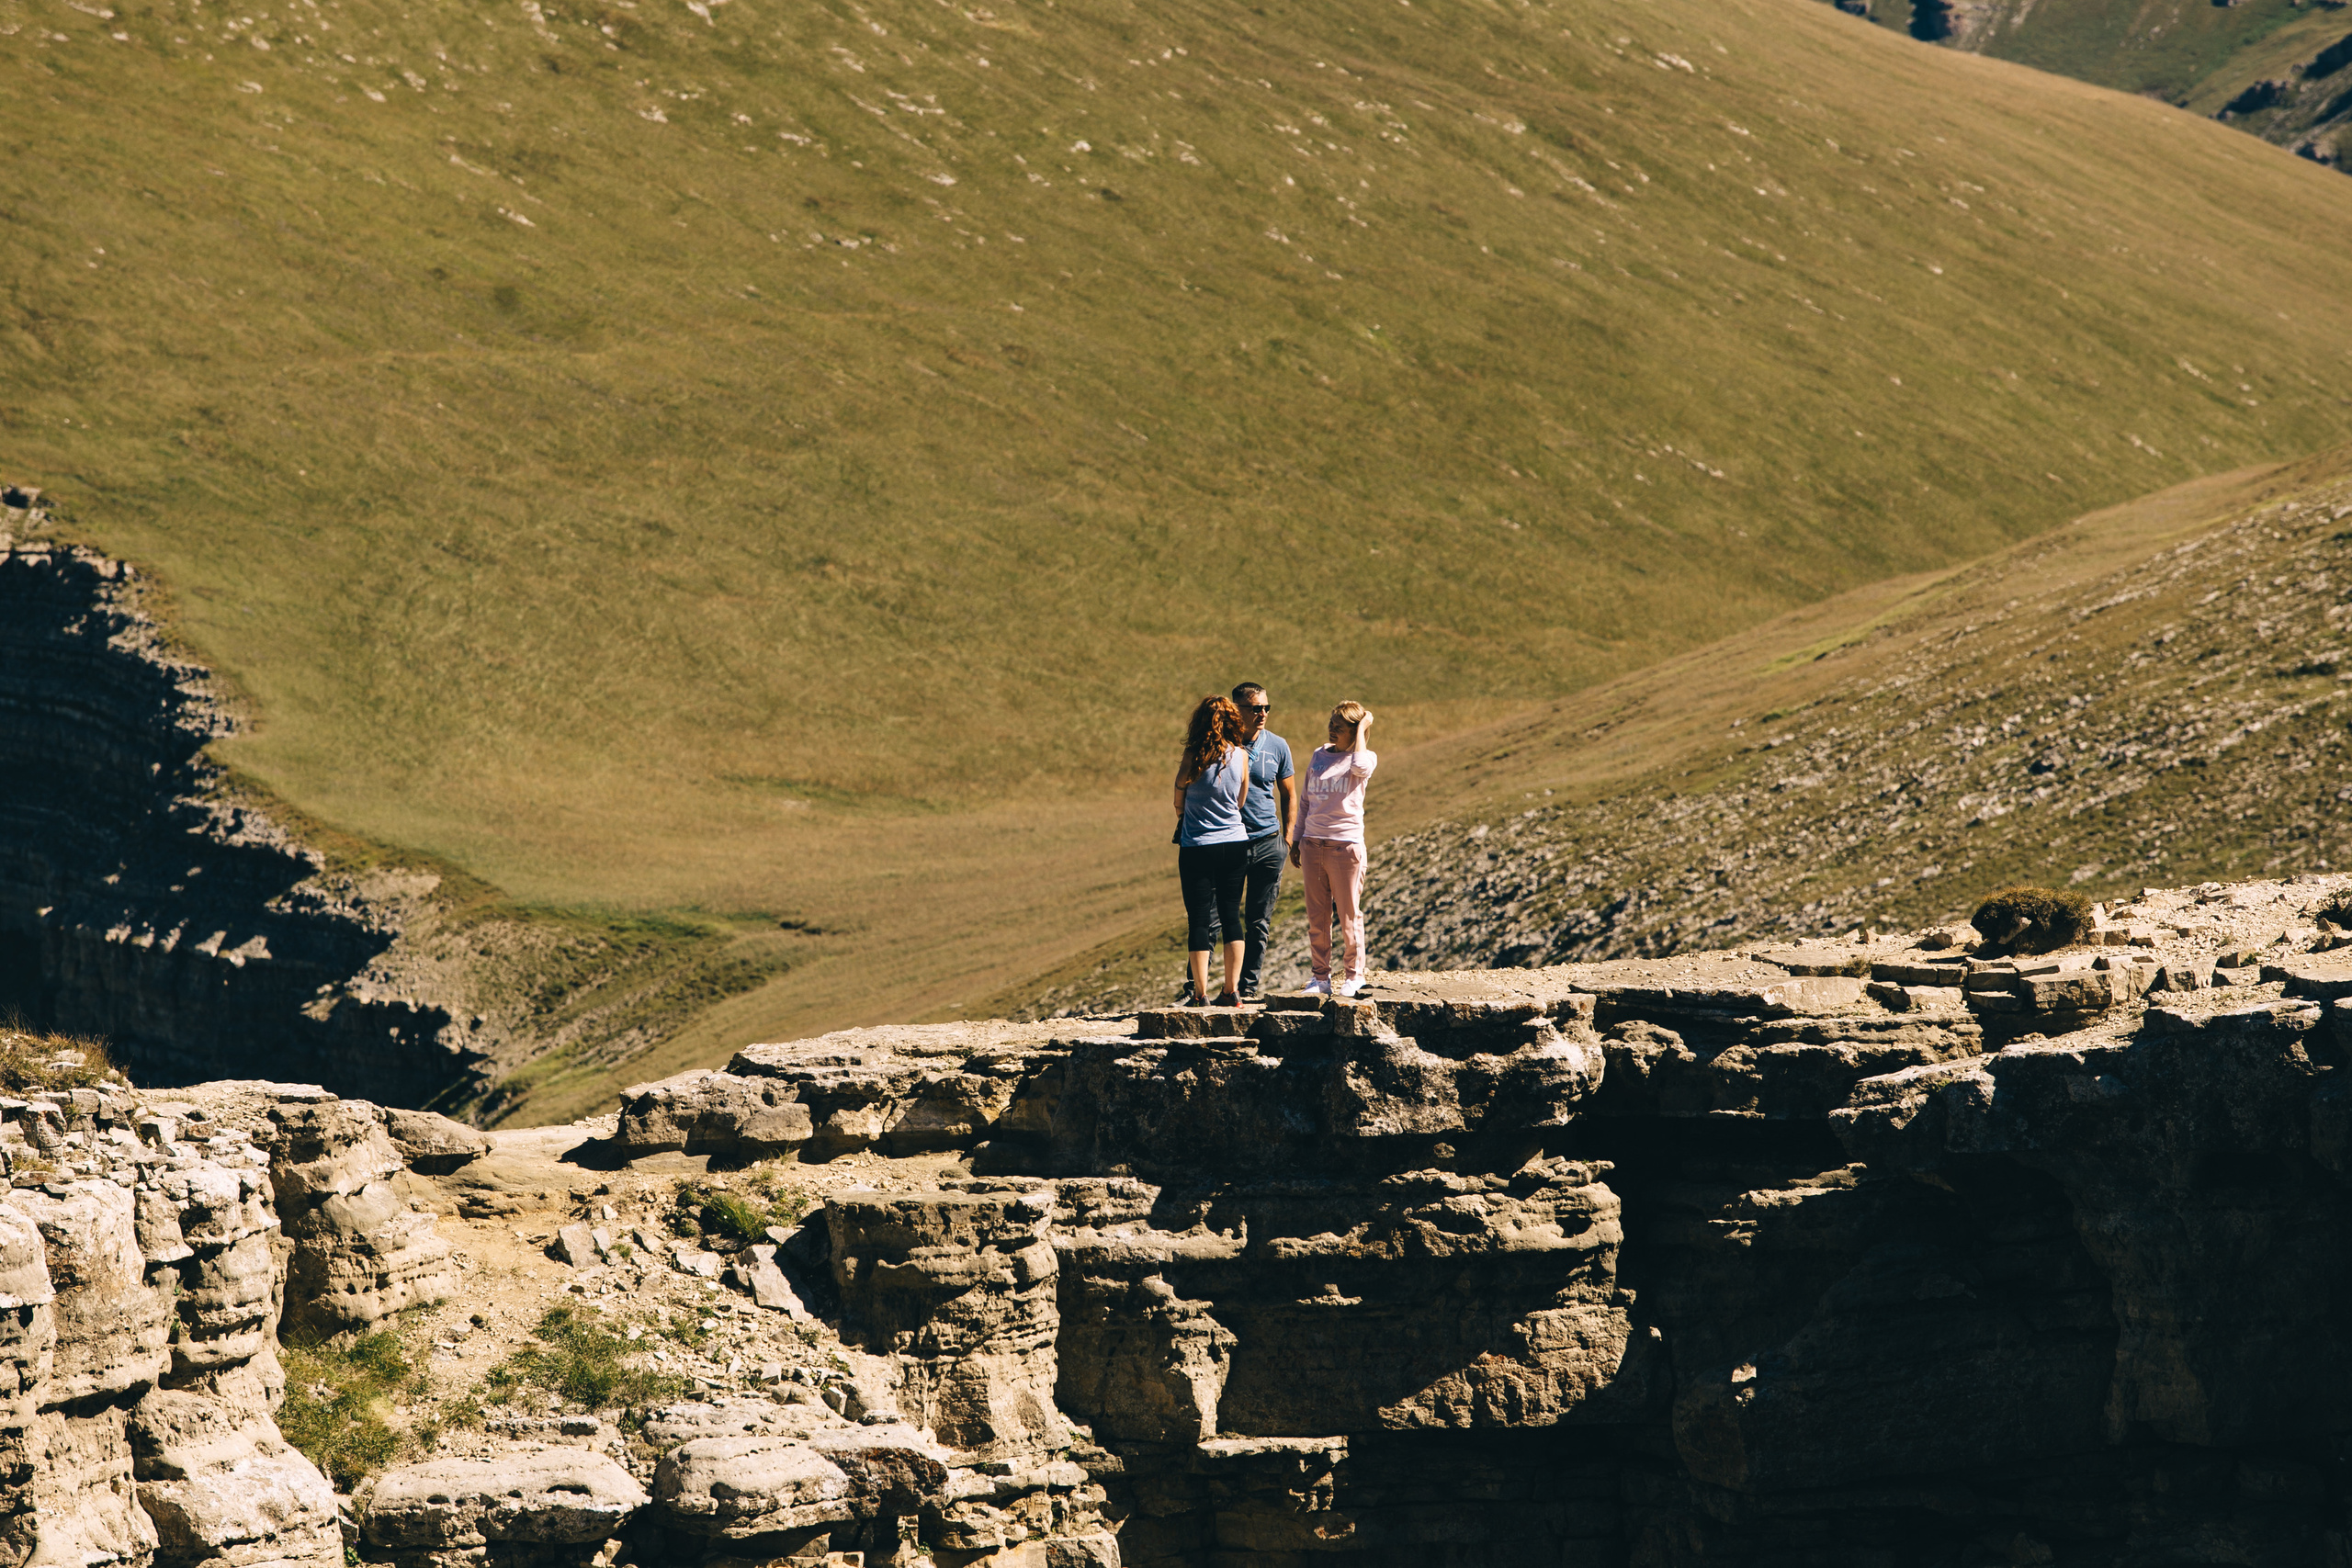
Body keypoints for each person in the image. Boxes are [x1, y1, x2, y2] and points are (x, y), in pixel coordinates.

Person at [1291, 702, 1376, 998]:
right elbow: (1305, 802)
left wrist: (1362, 731)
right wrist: (1297, 839)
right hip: (1313, 845)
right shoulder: (1318, 755)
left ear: (1355, 731)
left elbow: (1360, 768)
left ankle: (1354, 975)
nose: (1332, 729)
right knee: (1318, 918)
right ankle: (1320, 978)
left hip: (1345, 847)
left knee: (1349, 916)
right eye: (1331, 723)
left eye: (1340, 727)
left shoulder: (1364, 757)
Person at [1172, 694, 1252, 1008]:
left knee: (1200, 920)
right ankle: (1232, 991)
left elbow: (1179, 790)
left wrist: (1185, 813)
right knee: (1232, 915)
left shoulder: (1193, 755)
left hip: (1197, 846)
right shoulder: (1242, 755)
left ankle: (1200, 993)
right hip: (1234, 843)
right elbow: (1241, 800)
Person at [1229, 682, 1297, 1000]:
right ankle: (1199, 988)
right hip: (1228, 843)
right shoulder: (1222, 745)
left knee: (1258, 921)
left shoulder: (1278, 746)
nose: (1263, 714)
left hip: (1268, 842)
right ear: (1236, 710)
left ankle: (1248, 988)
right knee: (1217, 917)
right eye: (1255, 708)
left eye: (1266, 708)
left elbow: (1289, 794)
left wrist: (1288, 837)